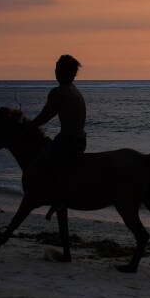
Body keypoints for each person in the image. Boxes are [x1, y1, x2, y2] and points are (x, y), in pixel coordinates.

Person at [28, 54, 87, 219]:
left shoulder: (59, 92)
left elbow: (44, 117)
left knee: (36, 166)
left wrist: (27, 127)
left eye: (57, 69)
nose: (55, 72)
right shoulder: (74, 90)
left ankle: (56, 198)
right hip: (80, 141)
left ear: (61, 72)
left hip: (68, 141)